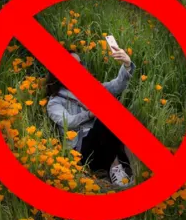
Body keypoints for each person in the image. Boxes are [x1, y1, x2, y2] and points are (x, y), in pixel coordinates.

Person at [45, 46, 136, 187]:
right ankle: (115, 168)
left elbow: (116, 86)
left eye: (79, 64)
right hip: (83, 152)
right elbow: (67, 122)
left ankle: (124, 165)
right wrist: (90, 113)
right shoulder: (55, 102)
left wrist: (127, 64)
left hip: (103, 142)